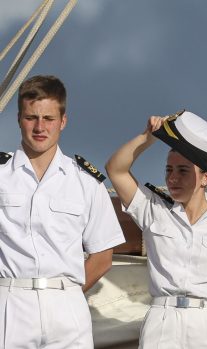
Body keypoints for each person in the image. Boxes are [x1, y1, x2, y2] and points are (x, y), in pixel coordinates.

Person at [105, 110, 207, 349]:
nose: (173, 178)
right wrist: (147, 137)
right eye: (169, 170)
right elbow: (116, 169)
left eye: (183, 171)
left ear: (205, 177)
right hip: (162, 322)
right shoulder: (154, 211)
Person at [0, 75, 125, 348]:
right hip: (9, 303)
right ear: (19, 119)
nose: (40, 127)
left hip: (67, 306)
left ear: (63, 121)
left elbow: (102, 256)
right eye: (31, 117)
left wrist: (65, 294)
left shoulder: (86, 182)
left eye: (49, 118)